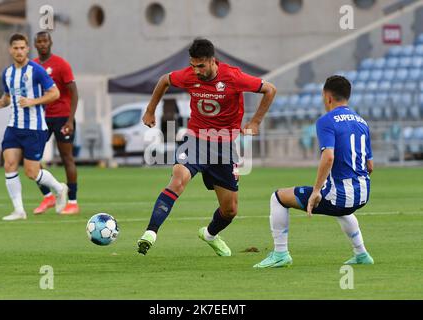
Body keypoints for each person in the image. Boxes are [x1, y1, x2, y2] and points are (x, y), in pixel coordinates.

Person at [137, 38, 276, 256]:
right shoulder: (189, 75)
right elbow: (165, 80)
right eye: (193, 66)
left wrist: (256, 121)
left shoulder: (233, 77)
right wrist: (150, 110)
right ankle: (150, 233)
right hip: (195, 140)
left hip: (224, 146)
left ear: (213, 61)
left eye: (200, 66)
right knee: (177, 179)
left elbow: (270, 89)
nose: (196, 71)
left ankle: (210, 234)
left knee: (230, 210)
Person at [254, 75, 374, 268]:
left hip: (339, 196)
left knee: (277, 198)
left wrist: (317, 191)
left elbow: (328, 157)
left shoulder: (326, 121)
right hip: (363, 195)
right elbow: (370, 166)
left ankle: (280, 253)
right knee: (342, 209)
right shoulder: (362, 122)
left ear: (327, 97)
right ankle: (361, 254)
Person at [0, 33, 68, 221]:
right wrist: (1, 103)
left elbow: (55, 93)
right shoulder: (7, 73)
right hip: (13, 127)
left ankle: (59, 188)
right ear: (10, 50)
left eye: (22, 48)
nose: (19, 51)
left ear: (27, 49)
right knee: (9, 164)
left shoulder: (36, 70)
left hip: (35, 128)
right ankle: (19, 210)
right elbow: (8, 96)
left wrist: (34, 101)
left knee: (31, 172)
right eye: (15, 48)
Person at [33, 31, 80, 215]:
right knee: (32, 158)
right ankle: (48, 196)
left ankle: (73, 202)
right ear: (35, 45)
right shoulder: (33, 66)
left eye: (45, 41)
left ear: (50, 42)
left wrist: (70, 119)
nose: (43, 44)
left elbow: (74, 92)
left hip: (62, 117)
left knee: (66, 158)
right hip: (42, 118)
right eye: (39, 41)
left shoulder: (61, 65)